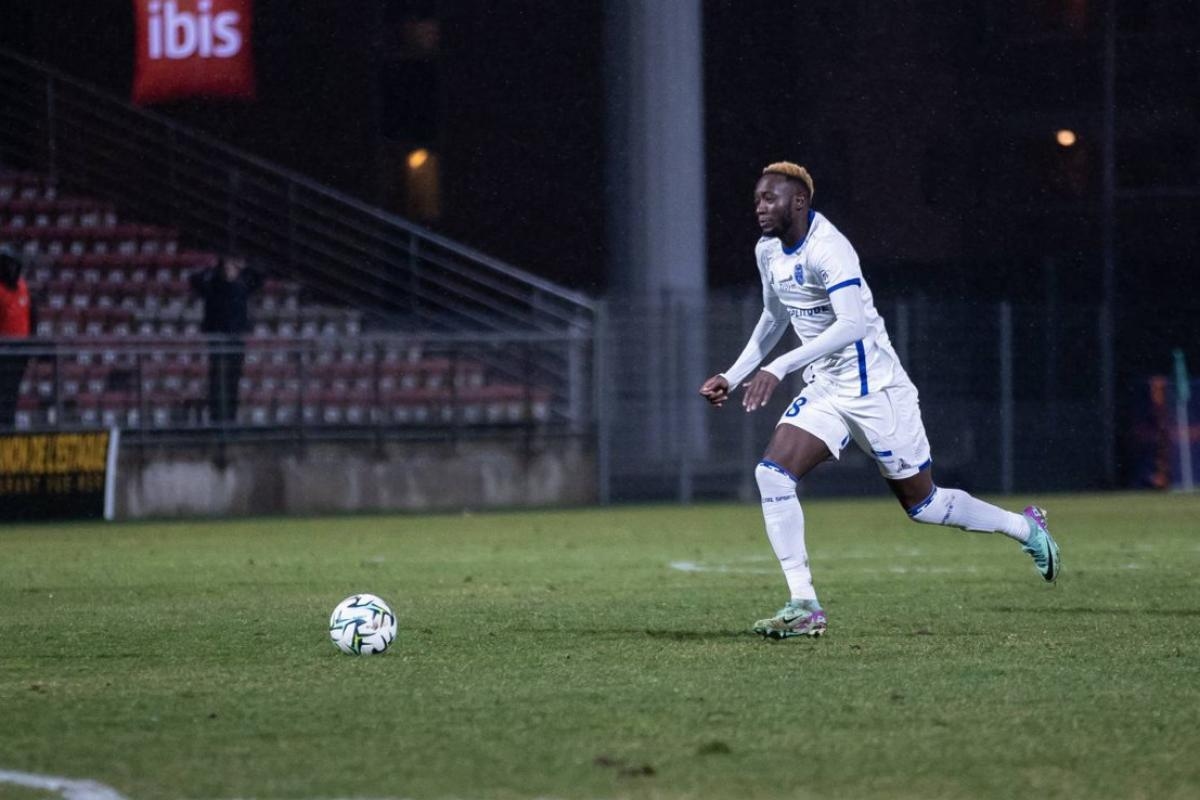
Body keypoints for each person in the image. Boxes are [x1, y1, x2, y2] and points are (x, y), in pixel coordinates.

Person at [699, 162, 1060, 639]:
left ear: (799, 203)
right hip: (827, 389)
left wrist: (778, 368)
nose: (760, 206)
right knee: (771, 475)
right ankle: (804, 604)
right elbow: (772, 317)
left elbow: (852, 325)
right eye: (758, 198)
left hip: (878, 394)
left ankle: (1025, 528)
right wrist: (733, 373)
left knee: (923, 505)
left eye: (770, 198)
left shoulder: (831, 249)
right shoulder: (768, 251)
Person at [189, 254, 261, 424]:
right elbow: (194, 280)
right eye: (226, 267)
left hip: (236, 338)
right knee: (217, 379)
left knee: (233, 379)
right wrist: (214, 268)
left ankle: (230, 417)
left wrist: (243, 266)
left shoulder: (242, 286)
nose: (229, 271)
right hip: (218, 338)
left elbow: (260, 278)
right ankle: (217, 417)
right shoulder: (213, 286)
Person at [0, 245, 33, 429]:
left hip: (21, 350)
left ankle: (8, 425)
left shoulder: (22, 286)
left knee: (12, 392)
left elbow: (30, 314)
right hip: (3, 351)